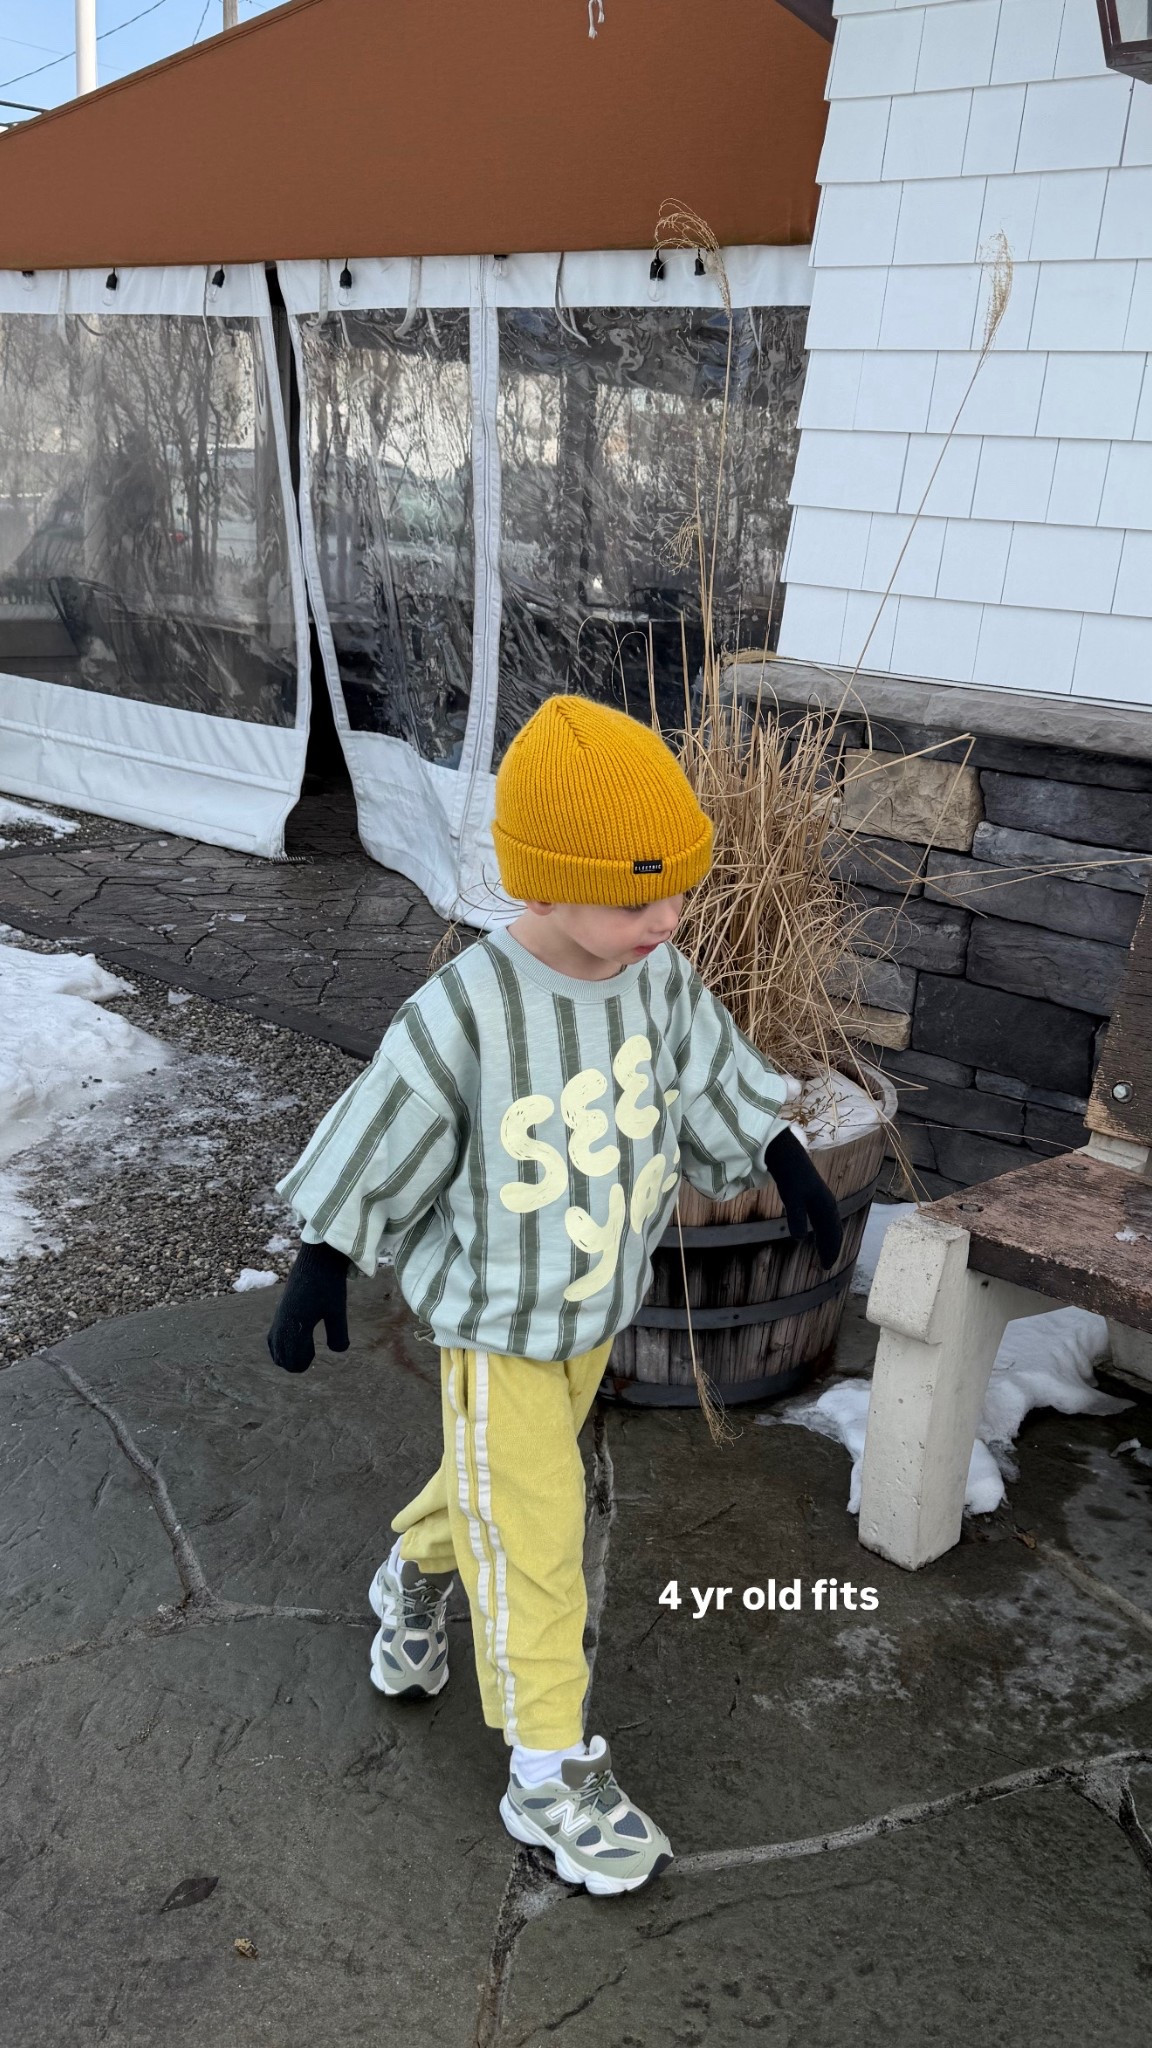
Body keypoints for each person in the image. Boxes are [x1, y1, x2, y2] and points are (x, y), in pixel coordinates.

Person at [267, 693, 843, 1896]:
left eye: (678, 891)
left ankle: (412, 1571)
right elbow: (387, 1121)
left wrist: (778, 1153)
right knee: (538, 1537)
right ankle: (547, 1769)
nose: (668, 919)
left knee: (489, 1484)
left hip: (593, 1306)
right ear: (550, 881)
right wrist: (325, 1252)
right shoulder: (468, 1010)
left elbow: (707, 1068)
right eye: (640, 899)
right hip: (497, 1323)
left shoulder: (656, 976)